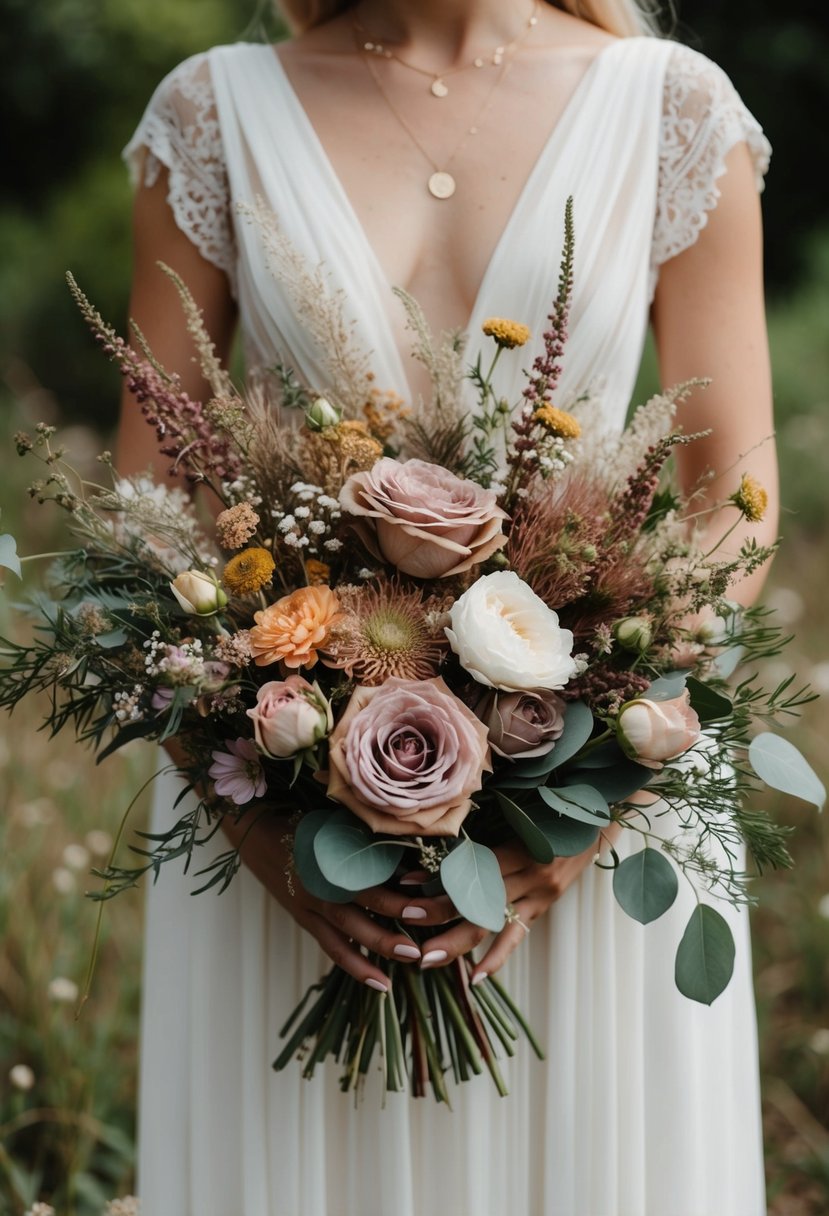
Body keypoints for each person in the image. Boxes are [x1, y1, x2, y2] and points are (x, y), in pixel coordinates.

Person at [116, 1, 778, 1212]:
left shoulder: (672, 108)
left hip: (583, 805)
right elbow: (147, 510)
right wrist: (269, 839)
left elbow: (735, 494)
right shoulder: (213, 110)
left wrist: (601, 786)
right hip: (292, 826)